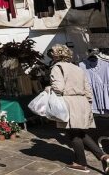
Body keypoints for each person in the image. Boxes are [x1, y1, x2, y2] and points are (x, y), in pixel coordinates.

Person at [48, 44, 109, 173]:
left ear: (57, 55)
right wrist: (88, 104)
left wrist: (48, 88)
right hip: (82, 102)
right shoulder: (78, 68)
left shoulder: (57, 68)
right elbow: (88, 89)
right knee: (80, 132)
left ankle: (81, 163)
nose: (51, 55)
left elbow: (58, 88)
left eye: (52, 53)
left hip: (69, 101)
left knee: (73, 133)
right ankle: (103, 156)